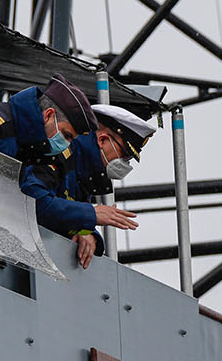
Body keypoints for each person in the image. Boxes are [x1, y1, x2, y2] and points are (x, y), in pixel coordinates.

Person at [21, 103, 156, 268]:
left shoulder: (84, 172)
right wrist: (91, 214)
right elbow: (33, 203)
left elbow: (68, 213)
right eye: (124, 155)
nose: (125, 164)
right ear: (102, 140)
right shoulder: (58, 155)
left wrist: (88, 233)